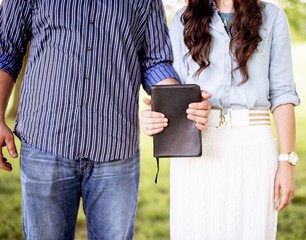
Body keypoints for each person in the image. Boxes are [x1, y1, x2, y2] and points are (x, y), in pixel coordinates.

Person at [0, 0, 211, 239]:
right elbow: (5, 50)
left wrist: (184, 104)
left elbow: (155, 62)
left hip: (116, 149)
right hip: (45, 142)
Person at [141, 0, 300, 239]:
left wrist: (287, 162)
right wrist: (155, 116)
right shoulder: (183, 19)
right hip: (197, 148)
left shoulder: (273, 17)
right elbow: (174, 93)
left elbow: (283, 93)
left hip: (254, 146)